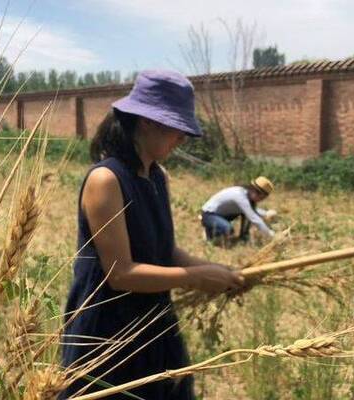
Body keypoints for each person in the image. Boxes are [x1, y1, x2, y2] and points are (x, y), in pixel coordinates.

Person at [60, 70, 244, 400]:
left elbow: (166, 251)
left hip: (152, 322)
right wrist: (196, 277)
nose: (182, 139)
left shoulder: (157, 177)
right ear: (147, 122)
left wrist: (218, 272)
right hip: (107, 333)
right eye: (178, 129)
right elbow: (120, 274)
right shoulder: (106, 180)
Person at [200, 177, 277, 245]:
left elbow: (252, 211)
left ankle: (243, 237)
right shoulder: (239, 196)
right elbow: (254, 218)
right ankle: (209, 234)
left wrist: (265, 213)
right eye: (261, 197)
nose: (260, 200)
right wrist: (271, 235)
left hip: (220, 214)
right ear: (253, 190)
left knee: (246, 213)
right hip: (209, 214)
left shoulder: (246, 194)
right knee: (228, 229)